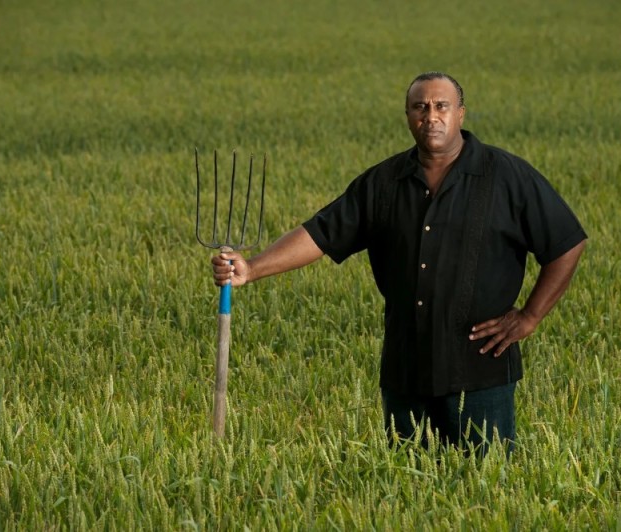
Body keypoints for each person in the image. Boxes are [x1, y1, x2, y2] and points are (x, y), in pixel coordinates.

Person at [211, 71, 587, 454]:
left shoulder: (507, 176)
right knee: (407, 489)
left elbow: (566, 242)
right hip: (405, 372)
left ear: (461, 113)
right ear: (407, 115)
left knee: (487, 490)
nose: (431, 116)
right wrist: (252, 268)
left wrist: (530, 316)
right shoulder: (383, 182)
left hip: (480, 371)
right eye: (420, 107)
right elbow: (321, 234)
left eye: (442, 106)